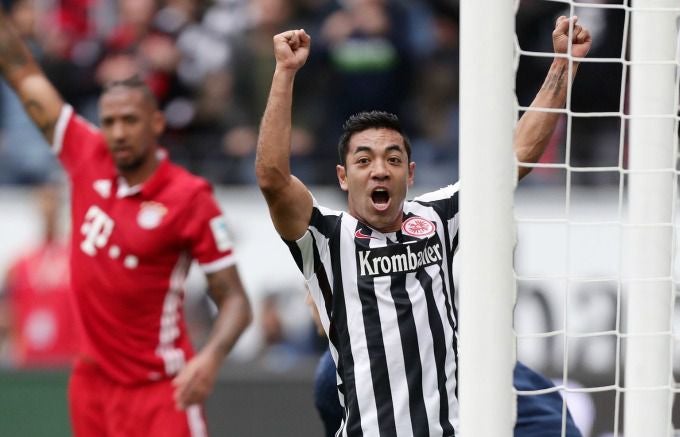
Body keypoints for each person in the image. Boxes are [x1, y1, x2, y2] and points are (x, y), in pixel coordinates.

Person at [256, 16, 591, 437]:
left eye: (393, 159)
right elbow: (272, 178)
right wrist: (285, 73)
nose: (380, 170)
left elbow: (517, 155)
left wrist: (564, 64)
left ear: (410, 173)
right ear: (343, 177)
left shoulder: (437, 217)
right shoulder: (326, 238)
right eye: (364, 161)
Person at [0, 7, 252, 437]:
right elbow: (23, 73)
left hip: (161, 391)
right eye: (110, 121)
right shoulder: (86, 152)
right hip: (92, 385)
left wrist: (209, 359)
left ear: (156, 124)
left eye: (130, 121)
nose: (117, 133)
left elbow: (235, 302)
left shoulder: (189, 197)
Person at [0, 184, 79, 368]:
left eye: (52, 204)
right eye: (44, 205)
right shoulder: (20, 264)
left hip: (67, 361)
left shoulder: (74, 259)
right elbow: (7, 311)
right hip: (28, 363)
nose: (48, 211)